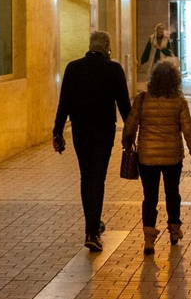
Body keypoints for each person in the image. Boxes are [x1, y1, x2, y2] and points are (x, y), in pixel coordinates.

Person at [53, 30, 132, 250]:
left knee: (86, 177)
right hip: (104, 132)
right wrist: (132, 132)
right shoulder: (114, 69)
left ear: (89, 46)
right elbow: (124, 106)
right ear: (107, 48)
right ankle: (92, 231)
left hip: (80, 132)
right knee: (98, 178)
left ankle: (93, 224)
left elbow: (64, 103)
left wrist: (57, 131)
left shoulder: (73, 68)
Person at [123, 58, 191, 254]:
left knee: (149, 197)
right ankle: (174, 231)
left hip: (146, 157)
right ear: (175, 81)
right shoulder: (179, 102)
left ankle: (149, 239)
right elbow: (188, 131)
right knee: (172, 194)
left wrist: (127, 144)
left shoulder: (142, 99)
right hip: (172, 157)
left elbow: (130, 126)